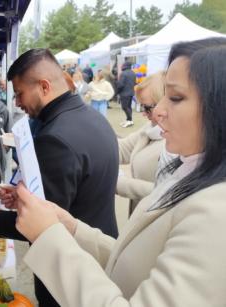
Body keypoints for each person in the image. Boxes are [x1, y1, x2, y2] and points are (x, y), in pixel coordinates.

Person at [12, 37, 226, 307]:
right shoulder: (187, 173)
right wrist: (72, 228)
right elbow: (133, 261)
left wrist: (48, 237)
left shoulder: (216, 212)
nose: (158, 111)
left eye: (175, 97)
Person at [0, 49, 119, 306]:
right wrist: (25, 196)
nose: (18, 103)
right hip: (101, 248)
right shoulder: (93, 118)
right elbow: (75, 188)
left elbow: (44, 222)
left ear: (44, 86)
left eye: (20, 93)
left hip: (72, 265)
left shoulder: (55, 138)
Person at [117, 71, 168, 213]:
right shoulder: (151, 128)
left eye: (147, 108)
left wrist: (118, 183)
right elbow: (122, 148)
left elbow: (167, 194)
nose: (143, 113)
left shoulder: (176, 142)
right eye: (141, 106)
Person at [117, 61, 137, 128]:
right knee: (128, 107)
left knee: (125, 107)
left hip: (124, 93)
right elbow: (134, 83)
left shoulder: (123, 73)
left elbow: (120, 85)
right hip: (131, 92)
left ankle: (129, 120)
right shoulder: (133, 73)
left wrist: (117, 91)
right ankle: (129, 120)